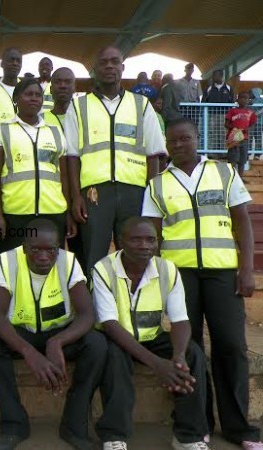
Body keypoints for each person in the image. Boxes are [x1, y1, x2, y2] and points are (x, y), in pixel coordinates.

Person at [142, 118, 263, 450]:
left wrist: (247, 269)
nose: (179, 145)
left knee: (230, 346)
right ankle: (196, 424)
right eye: (173, 141)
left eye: (185, 139)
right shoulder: (157, 184)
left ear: (198, 139)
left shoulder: (224, 172)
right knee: (190, 350)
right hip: (180, 277)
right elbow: (152, 234)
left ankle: (239, 427)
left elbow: (242, 222)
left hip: (223, 273)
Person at [0, 218, 107, 450]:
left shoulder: (68, 262)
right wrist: (28, 351)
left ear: (59, 247)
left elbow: (88, 314)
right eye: (35, 249)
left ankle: (74, 425)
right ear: (24, 247)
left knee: (97, 344)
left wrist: (57, 342)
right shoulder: (8, 261)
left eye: (51, 250)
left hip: (59, 332)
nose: (44, 256)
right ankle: (13, 425)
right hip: (21, 334)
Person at [93, 217, 210, 450]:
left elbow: (180, 320)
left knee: (193, 353)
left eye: (150, 240)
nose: (144, 245)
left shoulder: (167, 269)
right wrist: (158, 365)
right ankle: (114, 436)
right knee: (114, 358)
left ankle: (188, 436)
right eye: (136, 239)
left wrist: (177, 357)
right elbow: (110, 324)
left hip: (152, 337)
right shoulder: (103, 269)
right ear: (121, 242)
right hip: (117, 337)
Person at [64, 46, 166, 271]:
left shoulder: (142, 106)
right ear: (95, 70)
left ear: (122, 67)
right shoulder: (78, 106)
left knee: (135, 255)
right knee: (94, 256)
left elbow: (154, 156)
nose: (109, 66)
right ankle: (94, 305)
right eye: (103, 62)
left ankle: (134, 303)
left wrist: (152, 196)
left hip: (135, 192)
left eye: (114, 61)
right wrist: (75, 198)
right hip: (94, 194)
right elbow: (71, 157)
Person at [0, 78, 74, 254]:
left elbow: (63, 176)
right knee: (13, 265)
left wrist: (69, 213)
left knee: (50, 265)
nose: (34, 99)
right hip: (15, 214)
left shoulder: (55, 132)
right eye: (28, 94)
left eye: (38, 95)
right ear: (16, 99)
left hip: (53, 212)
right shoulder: (2, 130)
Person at [42, 67, 84, 268]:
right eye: (58, 81)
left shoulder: (84, 117)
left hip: (81, 194)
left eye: (68, 82)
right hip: (52, 198)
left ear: (75, 87)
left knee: (80, 254)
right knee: (53, 253)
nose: (63, 86)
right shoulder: (41, 120)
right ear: (50, 86)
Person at [225, 91, 257, 177]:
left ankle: (241, 177)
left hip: (244, 138)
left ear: (248, 100)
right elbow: (226, 124)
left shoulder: (251, 112)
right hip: (233, 138)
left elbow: (252, 124)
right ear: (237, 100)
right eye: (241, 98)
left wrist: (247, 129)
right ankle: (232, 177)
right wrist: (235, 129)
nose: (243, 100)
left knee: (242, 159)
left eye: (245, 98)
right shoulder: (232, 111)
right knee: (232, 159)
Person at [202, 69, 235, 152]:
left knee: (223, 133)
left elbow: (232, 102)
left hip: (224, 115)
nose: (213, 77)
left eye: (215, 75)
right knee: (212, 133)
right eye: (213, 76)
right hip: (211, 115)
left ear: (221, 76)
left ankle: (223, 152)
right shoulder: (209, 88)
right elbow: (203, 101)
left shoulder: (229, 88)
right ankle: (211, 152)